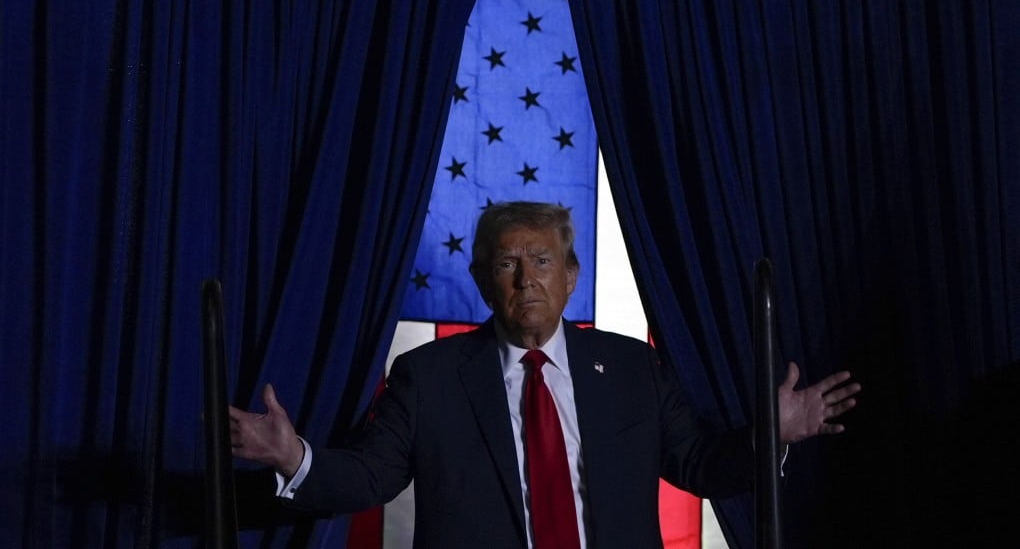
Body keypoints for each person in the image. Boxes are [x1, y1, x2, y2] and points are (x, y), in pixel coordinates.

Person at [230, 201, 860, 548]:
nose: (525, 277)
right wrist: (295, 458)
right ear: (482, 280)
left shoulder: (634, 370)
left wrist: (770, 434)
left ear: (571, 276)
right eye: (506, 263)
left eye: (541, 259)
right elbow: (368, 477)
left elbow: (698, 465)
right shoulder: (428, 376)